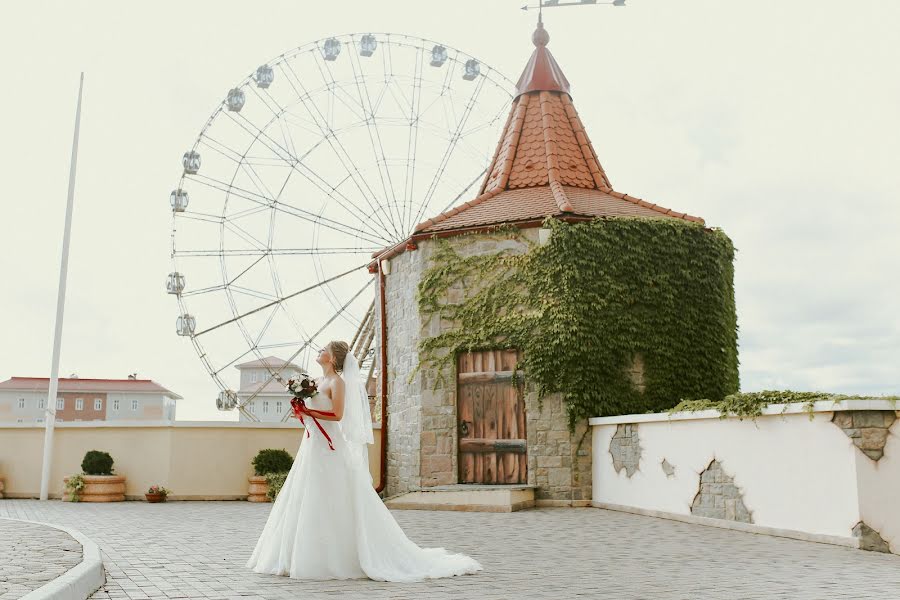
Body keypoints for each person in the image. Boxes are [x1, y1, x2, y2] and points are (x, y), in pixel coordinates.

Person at [246, 340, 483, 582]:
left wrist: (309, 412)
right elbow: (313, 411)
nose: (319, 351)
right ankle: (293, 554)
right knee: (305, 494)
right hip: (312, 444)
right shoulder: (315, 383)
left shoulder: (338, 383)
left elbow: (337, 415)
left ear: (333, 358)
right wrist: (300, 404)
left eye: (323, 350)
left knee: (330, 495)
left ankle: (335, 557)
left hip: (329, 446)